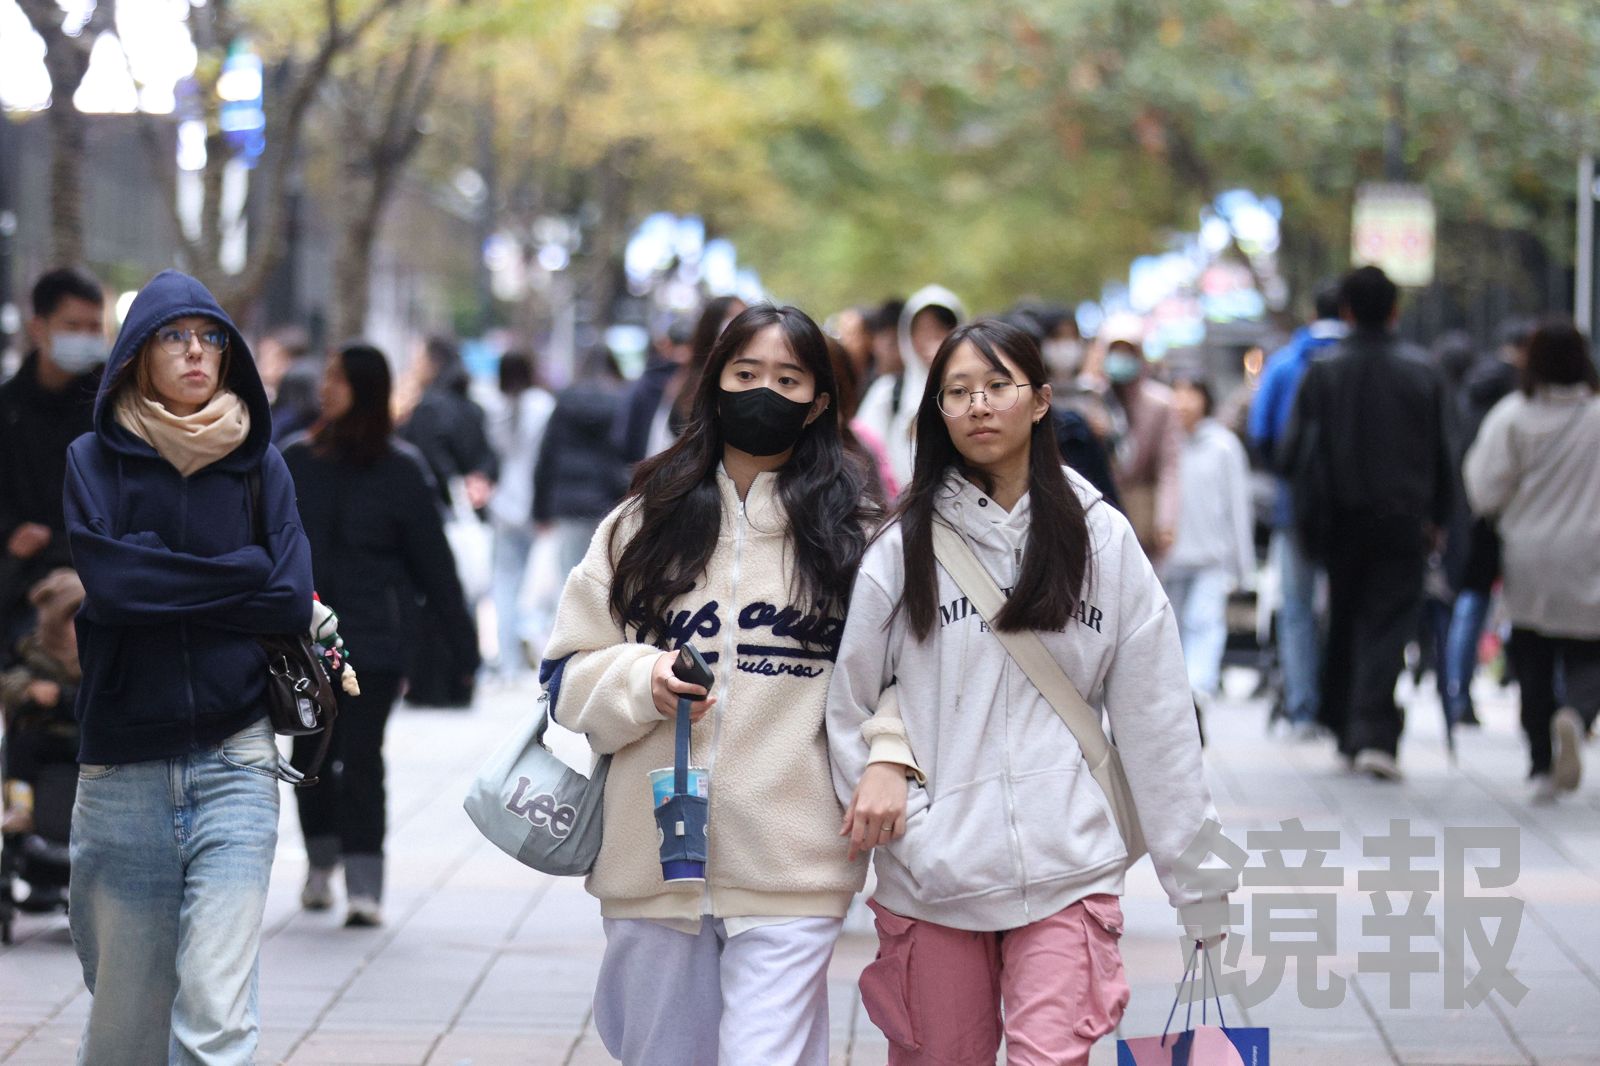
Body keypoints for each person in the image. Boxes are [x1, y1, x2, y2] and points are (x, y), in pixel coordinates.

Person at [827, 320, 1231, 1065]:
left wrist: (1197, 882)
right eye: (957, 392)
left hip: (1067, 872)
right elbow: (850, 702)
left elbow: (1159, 720)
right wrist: (918, 831)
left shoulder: (1100, 541)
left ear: (1041, 400)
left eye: (998, 386)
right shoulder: (901, 546)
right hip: (934, 883)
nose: (979, 405)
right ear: (937, 414)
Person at [539, 303, 878, 1066]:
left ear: (819, 400)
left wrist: (886, 763)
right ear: (713, 382)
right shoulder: (642, 523)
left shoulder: (854, 535)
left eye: (788, 378)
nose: (764, 392)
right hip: (650, 861)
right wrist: (642, 677)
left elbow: (895, 684)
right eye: (745, 373)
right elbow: (565, 672)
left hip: (796, 861)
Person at [63, 269, 314, 1062]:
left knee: (216, 1013)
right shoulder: (90, 461)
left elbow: (286, 599)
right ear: (137, 354)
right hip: (123, 770)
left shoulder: (260, 464)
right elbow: (113, 585)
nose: (196, 353)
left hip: (236, 760)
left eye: (210, 339)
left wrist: (165, 576)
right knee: (126, 1033)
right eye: (174, 338)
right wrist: (238, 570)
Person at [283, 342, 479, 924]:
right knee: (310, 753)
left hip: (375, 638)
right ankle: (321, 863)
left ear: (363, 388)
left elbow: (434, 564)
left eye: (338, 378)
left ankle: (365, 883)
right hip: (302, 636)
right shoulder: (296, 461)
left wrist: (462, 644)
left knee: (363, 757)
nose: (325, 387)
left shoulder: (401, 469)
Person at [1281, 266, 1452, 781]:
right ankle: (1374, 730)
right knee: (1388, 622)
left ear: (1347, 311)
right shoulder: (1423, 372)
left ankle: (1347, 725)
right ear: (1395, 310)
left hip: (1339, 521)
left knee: (1346, 614)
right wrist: (1441, 517)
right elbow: (1446, 454)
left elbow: (1293, 453)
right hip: (1404, 521)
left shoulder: (1323, 372)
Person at [1464, 321, 1600, 803]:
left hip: (1529, 552)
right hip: (1591, 552)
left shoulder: (1513, 418)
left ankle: (1542, 764)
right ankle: (1579, 715)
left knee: (1533, 656)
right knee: (1589, 652)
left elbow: (1483, 489)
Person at [1248, 282, 1346, 737]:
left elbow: (1261, 430)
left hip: (1297, 508)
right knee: (1351, 607)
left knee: (1297, 609)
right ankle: (1344, 709)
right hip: (1360, 512)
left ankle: (1304, 707)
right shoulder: (1370, 362)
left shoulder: (1288, 362)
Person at [0, 267, 107, 659]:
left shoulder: (111, 408)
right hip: (19, 586)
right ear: (38, 327)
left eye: (94, 326)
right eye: (73, 325)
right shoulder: (8, 407)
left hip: (93, 580)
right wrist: (12, 533)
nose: (86, 337)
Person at [1443, 318, 1534, 729]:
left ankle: (1458, 694)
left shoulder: (1470, 391)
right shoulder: (1519, 400)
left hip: (1473, 515)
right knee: (1534, 612)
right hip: (1518, 516)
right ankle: (1546, 701)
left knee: (1471, 605)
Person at [1166, 377, 1255, 701]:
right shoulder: (1167, 441)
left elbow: (1237, 507)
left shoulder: (1223, 446)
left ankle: (1198, 691)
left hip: (1211, 556)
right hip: (1168, 557)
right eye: (1178, 395)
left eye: (1190, 396)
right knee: (1170, 627)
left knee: (1204, 623)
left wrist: (1242, 567)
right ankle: (1176, 692)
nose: (1183, 404)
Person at [533, 345, 632, 583]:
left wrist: (540, 510)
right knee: (606, 579)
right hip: (609, 500)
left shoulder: (565, 401)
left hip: (567, 503)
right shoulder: (621, 402)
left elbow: (547, 455)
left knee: (570, 579)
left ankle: (571, 621)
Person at [486, 350, 555, 680]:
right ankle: (535, 641)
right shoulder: (543, 405)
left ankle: (509, 660)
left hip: (504, 503)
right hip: (537, 502)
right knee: (540, 582)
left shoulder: (495, 407)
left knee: (505, 583)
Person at [855, 285, 966, 489]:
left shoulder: (973, 391)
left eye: (941, 328)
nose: (932, 338)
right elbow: (862, 449)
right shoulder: (889, 391)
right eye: (923, 329)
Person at [0, 569, 83, 836]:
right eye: (70, 616)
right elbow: (10, 680)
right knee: (21, 746)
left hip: (89, 735)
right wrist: (30, 688)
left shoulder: (101, 651)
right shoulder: (34, 650)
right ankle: (21, 808)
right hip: (49, 733)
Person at [1097, 329, 1181, 564]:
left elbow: (1169, 467)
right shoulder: (1095, 400)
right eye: (1116, 352)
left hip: (1141, 519)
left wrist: (1165, 522)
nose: (1121, 359)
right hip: (1099, 517)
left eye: (1128, 352)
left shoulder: (1160, 404)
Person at [613, 316, 693, 465]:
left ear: (666, 344)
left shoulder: (645, 382)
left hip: (647, 470)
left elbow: (624, 437)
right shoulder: (697, 379)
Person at [256, 325, 321, 443]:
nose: (262, 363)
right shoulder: (271, 397)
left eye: (268, 356)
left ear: (285, 359)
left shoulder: (295, 408)